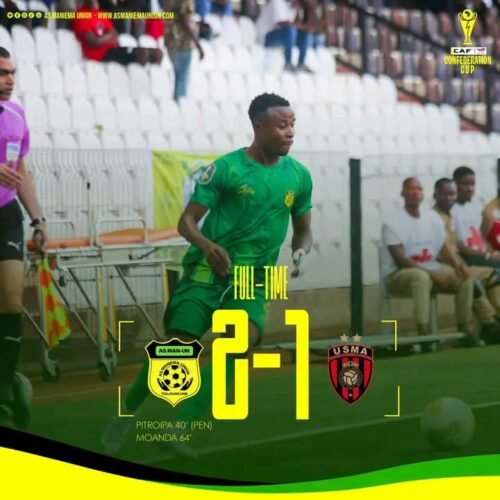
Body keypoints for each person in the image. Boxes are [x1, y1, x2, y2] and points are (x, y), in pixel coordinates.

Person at [102, 92, 313, 454]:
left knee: (237, 344)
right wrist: (207, 246)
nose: (290, 131)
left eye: (292, 124)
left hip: (253, 280)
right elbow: (186, 222)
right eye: (282, 125)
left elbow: (304, 230)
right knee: (175, 354)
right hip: (206, 273)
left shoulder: (299, 176)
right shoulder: (226, 169)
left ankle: (177, 428)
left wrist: (300, 252)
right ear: (258, 126)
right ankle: (125, 415)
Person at [0, 47, 47, 427]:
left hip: (6, 215)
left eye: (12, 72)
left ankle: (6, 386)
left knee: (12, 302)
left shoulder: (16, 114)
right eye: (2, 73)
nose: (9, 80)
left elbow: (21, 171)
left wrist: (38, 218)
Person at [381, 177, 476, 350]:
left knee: (465, 278)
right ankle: (423, 332)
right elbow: (401, 259)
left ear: (423, 193)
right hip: (398, 274)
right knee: (421, 277)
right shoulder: (392, 222)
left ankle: (464, 329)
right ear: (402, 193)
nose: (415, 192)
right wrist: (433, 275)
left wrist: (459, 266)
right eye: (411, 188)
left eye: (419, 188)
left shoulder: (432, 217)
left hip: (432, 268)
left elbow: (444, 249)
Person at [433, 178, 500, 344]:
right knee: (469, 279)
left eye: (451, 194)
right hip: (443, 265)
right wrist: (460, 264)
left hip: (458, 261)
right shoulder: (433, 217)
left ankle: (495, 320)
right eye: (444, 194)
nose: (448, 198)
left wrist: (488, 253)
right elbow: (442, 251)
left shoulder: (449, 216)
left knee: (494, 274)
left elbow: (458, 244)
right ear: (435, 194)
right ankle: (489, 322)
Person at [72, 0, 163, 66]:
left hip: (114, 48)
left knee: (157, 53)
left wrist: (103, 39)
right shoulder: (80, 15)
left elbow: (114, 34)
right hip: (101, 55)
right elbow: (93, 42)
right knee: (142, 54)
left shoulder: (100, 13)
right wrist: (108, 37)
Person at [164, 0, 204, 101]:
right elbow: (183, 19)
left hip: (171, 41)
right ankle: (178, 106)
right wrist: (197, 44)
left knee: (178, 78)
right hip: (182, 43)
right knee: (182, 79)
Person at [256, 0, 313, 72]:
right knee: (290, 31)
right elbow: (282, 23)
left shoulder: (293, 6)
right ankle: (287, 63)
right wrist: (300, 26)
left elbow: (296, 24)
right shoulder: (277, 1)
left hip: (283, 36)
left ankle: (301, 64)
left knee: (304, 34)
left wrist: (301, 10)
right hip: (266, 37)